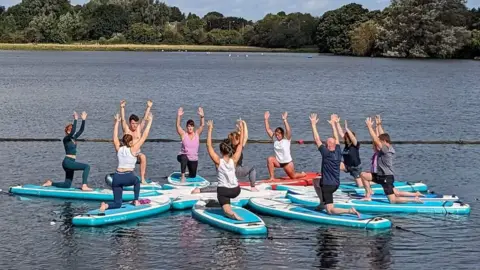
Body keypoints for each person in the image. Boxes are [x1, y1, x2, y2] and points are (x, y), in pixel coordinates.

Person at [99, 112, 153, 212]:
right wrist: (150, 122)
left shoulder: (118, 148)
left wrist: (116, 123)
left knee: (118, 203)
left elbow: (114, 137)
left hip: (116, 178)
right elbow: (144, 135)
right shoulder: (133, 149)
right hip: (128, 176)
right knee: (137, 181)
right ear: (130, 142)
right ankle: (136, 200)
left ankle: (105, 206)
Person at [361, 116, 423, 203]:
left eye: (380, 141)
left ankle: (414, 199)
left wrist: (370, 127)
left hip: (386, 177)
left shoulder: (386, 149)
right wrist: (378, 125)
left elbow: (376, 139)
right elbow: (381, 136)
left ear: (384, 142)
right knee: (363, 175)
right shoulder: (386, 146)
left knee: (393, 200)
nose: (378, 143)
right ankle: (368, 195)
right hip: (380, 175)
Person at [310, 113, 360, 217]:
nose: (324, 144)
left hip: (328, 186)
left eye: (326, 143)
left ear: (327, 146)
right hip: (336, 184)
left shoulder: (326, 153)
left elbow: (316, 139)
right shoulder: (338, 150)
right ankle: (321, 203)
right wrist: (333, 124)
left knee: (330, 210)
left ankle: (350, 211)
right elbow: (336, 138)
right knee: (315, 181)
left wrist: (313, 124)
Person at [43, 111, 92, 191]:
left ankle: (50, 183)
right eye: (71, 130)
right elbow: (73, 131)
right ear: (68, 131)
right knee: (87, 166)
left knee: (67, 185)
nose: (73, 132)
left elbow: (81, 130)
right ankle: (84, 185)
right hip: (68, 162)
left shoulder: (73, 138)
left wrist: (83, 120)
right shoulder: (66, 139)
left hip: (71, 162)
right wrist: (76, 119)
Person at [205, 119, 244, 220]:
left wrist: (210, 129)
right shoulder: (234, 160)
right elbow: (240, 144)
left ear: (221, 151)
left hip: (224, 191)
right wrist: (242, 128)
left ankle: (229, 212)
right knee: (226, 195)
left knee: (225, 205)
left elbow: (209, 145)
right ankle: (230, 210)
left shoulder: (218, 161)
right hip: (236, 190)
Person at [264, 111, 306, 181]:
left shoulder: (287, 139)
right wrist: (266, 119)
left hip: (287, 163)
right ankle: (272, 177)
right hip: (278, 162)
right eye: (276, 134)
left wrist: (285, 120)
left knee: (293, 177)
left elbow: (288, 130)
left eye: (279, 134)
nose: (278, 136)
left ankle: (303, 174)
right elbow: (268, 129)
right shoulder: (275, 139)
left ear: (282, 134)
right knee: (270, 159)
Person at [120, 99, 152, 184]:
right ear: (130, 123)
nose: (134, 125)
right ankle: (122, 176)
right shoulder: (126, 129)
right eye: (133, 123)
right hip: (127, 153)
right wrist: (122, 108)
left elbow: (144, 119)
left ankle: (142, 178)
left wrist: (148, 107)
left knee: (143, 157)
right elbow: (123, 120)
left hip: (136, 153)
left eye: (136, 123)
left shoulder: (138, 129)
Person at [176, 107, 204, 183]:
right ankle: (182, 176)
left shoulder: (197, 134)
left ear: (193, 127)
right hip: (182, 157)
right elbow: (178, 126)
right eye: (188, 126)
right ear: (187, 127)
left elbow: (202, 126)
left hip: (193, 159)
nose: (190, 127)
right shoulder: (183, 135)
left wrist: (202, 116)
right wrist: (179, 116)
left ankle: (188, 172)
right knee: (184, 157)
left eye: (191, 126)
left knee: (193, 175)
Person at [228, 119, 258, 192]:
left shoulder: (227, 146)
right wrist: (244, 124)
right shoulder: (239, 147)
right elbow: (245, 137)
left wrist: (239, 130)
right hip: (237, 170)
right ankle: (253, 187)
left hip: (228, 171)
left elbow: (236, 137)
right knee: (252, 168)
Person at [333, 117, 363, 187]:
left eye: (346, 137)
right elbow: (340, 133)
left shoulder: (355, 144)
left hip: (355, 168)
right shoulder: (346, 144)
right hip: (346, 166)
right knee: (334, 163)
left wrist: (347, 128)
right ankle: (332, 181)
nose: (345, 139)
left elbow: (353, 138)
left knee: (360, 185)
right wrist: (337, 123)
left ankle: (371, 182)